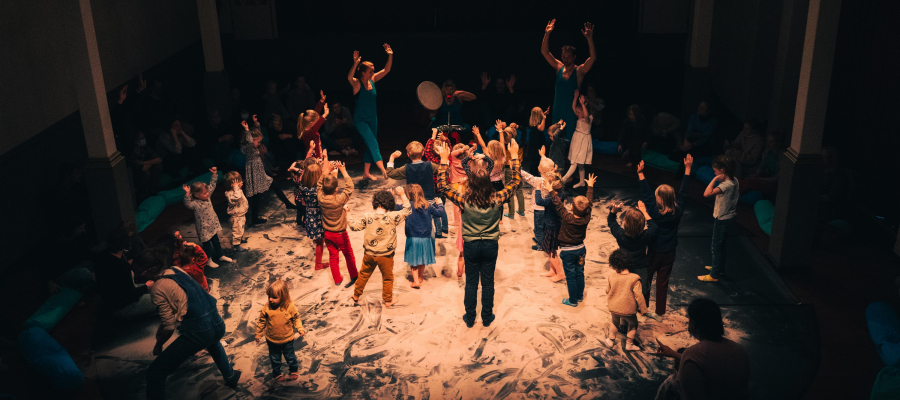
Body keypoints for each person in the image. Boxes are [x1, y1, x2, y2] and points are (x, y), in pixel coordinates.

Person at [134, 249, 241, 399]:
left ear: (149, 270)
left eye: (140, 271)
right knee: (213, 342)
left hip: (199, 330)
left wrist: (159, 344)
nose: (139, 275)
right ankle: (230, 376)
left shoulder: (158, 288)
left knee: (155, 372)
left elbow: (169, 326)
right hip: (217, 322)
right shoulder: (176, 270)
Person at [436, 139, 521, 327]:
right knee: (488, 283)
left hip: (471, 246)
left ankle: (470, 317)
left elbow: (442, 185)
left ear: (471, 182)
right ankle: (487, 316)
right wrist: (513, 157)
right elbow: (515, 182)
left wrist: (444, 160)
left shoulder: (463, 200)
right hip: (490, 245)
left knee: (472, 283)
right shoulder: (497, 198)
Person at [655, 298, 750, 400]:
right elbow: (713, 363)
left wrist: (684, 357)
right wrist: (674, 354)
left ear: (694, 324)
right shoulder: (739, 351)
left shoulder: (693, 355)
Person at [639, 156, 691, 315]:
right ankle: (660, 313)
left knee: (646, 280)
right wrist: (687, 169)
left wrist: (641, 174)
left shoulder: (655, 213)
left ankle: (644, 308)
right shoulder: (678, 210)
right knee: (662, 284)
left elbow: (647, 195)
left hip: (654, 252)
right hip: (670, 253)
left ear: (659, 199)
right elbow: (684, 193)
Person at [349, 188, 412, 307]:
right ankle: (388, 300)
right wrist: (403, 195)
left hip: (369, 254)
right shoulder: (392, 217)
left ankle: (356, 295)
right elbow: (407, 210)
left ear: (375, 203)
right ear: (390, 204)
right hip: (386, 256)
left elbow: (354, 227)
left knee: (363, 274)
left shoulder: (367, 216)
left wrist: (348, 214)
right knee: (387, 278)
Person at [541, 20, 596, 140]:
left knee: (570, 141)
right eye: (563, 56)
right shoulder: (559, 67)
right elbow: (545, 52)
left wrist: (589, 39)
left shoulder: (579, 71)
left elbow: (592, 58)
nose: (565, 59)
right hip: (558, 109)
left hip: (571, 112)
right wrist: (547, 33)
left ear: (574, 57)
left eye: (568, 56)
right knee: (555, 139)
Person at [548, 173, 596, 307]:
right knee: (579, 272)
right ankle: (579, 296)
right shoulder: (586, 218)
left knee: (571, 276)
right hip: (580, 249)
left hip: (568, 252)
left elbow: (558, 204)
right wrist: (590, 187)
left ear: (571, 207)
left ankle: (573, 300)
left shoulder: (567, 218)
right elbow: (589, 204)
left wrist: (551, 190)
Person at [348, 44, 393, 181]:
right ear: (363, 73)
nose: (373, 73)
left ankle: (366, 173)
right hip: (361, 120)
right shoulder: (357, 84)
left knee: (369, 144)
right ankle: (384, 170)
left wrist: (390, 55)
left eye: (373, 71)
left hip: (372, 118)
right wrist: (355, 64)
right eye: (370, 71)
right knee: (373, 143)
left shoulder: (372, 81)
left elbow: (386, 69)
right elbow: (350, 77)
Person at [602, 249, 660, 351]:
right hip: (629, 310)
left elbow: (607, 290)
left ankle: (611, 340)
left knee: (615, 323)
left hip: (614, 308)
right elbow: (639, 296)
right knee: (633, 325)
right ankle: (629, 344)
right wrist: (643, 309)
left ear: (614, 266)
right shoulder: (634, 278)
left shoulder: (612, 276)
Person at [241, 116, 295, 225]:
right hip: (254, 174)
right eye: (258, 142)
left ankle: (287, 204)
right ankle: (254, 219)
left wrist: (256, 124)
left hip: (259, 172)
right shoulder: (250, 148)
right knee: (256, 196)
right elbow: (250, 140)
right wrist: (247, 130)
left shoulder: (254, 146)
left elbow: (256, 135)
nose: (260, 144)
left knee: (274, 186)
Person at [386, 140, 445, 237]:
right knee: (428, 224)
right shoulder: (430, 165)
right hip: (428, 200)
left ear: (408, 155)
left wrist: (392, 158)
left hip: (413, 202)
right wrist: (443, 157)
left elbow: (390, 173)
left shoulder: (406, 168)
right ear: (423, 153)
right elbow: (444, 171)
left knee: (414, 222)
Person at [94, 229, 156, 320]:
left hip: (110, 302)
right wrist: (145, 287)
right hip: (122, 308)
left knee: (156, 288)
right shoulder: (122, 266)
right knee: (162, 297)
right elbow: (130, 295)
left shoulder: (102, 256)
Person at [608, 200, 658, 310]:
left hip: (624, 268)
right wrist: (644, 211)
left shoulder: (620, 235)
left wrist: (613, 211)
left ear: (625, 222)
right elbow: (654, 227)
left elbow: (611, 222)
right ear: (642, 224)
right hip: (640, 266)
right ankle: (636, 306)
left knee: (624, 289)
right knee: (641, 288)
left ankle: (625, 304)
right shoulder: (645, 235)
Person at [317, 160, 359, 286]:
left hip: (328, 234)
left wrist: (326, 171)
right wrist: (343, 171)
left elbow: (319, 185)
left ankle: (337, 279)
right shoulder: (340, 200)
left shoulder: (320, 198)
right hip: (341, 234)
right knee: (348, 254)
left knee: (333, 256)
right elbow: (349, 187)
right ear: (336, 190)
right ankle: (354, 275)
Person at [255, 280, 306, 382]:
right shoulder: (267, 307)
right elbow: (261, 321)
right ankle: (277, 373)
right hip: (272, 339)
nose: (270, 299)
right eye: (269, 296)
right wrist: (258, 334)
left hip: (287, 339)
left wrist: (300, 328)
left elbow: (296, 318)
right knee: (275, 358)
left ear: (283, 297)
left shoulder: (289, 307)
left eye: (274, 297)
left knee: (290, 357)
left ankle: (293, 370)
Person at [182, 168, 234, 267]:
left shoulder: (208, 197)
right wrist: (187, 194)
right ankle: (208, 260)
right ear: (197, 195)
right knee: (207, 245)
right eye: (205, 193)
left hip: (212, 224)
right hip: (204, 227)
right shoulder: (195, 204)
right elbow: (187, 204)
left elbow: (213, 186)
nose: (207, 194)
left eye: (207, 192)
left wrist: (214, 175)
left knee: (216, 241)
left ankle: (221, 255)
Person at [699, 156, 739, 282]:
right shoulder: (735, 180)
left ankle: (714, 275)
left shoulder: (726, 185)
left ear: (722, 171)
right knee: (721, 246)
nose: (714, 173)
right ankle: (718, 268)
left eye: (715, 171)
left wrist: (714, 179)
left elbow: (706, 194)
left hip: (723, 219)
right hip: (728, 217)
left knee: (716, 246)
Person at [403, 184, 446, 288]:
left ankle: (416, 281)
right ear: (422, 193)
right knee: (422, 259)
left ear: (409, 195)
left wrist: (397, 196)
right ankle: (420, 277)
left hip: (412, 238)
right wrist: (440, 204)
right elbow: (440, 213)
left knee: (413, 262)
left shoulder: (408, 206)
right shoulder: (428, 205)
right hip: (425, 238)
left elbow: (393, 207)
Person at [296, 156, 327, 270]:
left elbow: (301, 172)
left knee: (319, 237)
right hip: (319, 215)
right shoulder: (318, 190)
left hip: (309, 215)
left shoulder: (303, 186)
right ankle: (318, 264)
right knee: (320, 241)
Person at [522, 149, 556, 250]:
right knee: (545, 226)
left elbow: (526, 176)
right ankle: (543, 240)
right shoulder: (553, 180)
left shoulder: (537, 180)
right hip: (548, 209)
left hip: (539, 209)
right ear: (554, 170)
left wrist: (516, 168)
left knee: (538, 228)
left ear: (538, 169)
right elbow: (547, 166)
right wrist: (543, 156)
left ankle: (542, 245)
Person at [534, 171, 565, 282]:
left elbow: (539, 201)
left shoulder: (551, 199)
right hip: (554, 224)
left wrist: (537, 188)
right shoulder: (560, 195)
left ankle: (560, 273)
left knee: (549, 250)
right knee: (551, 249)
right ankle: (553, 270)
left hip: (551, 227)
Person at [562, 92, 593, 187]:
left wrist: (583, 104)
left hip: (583, 142)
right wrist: (575, 98)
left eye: (580, 112)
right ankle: (582, 182)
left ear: (585, 111)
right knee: (579, 163)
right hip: (577, 140)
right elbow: (573, 108)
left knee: (576, 162)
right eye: (578, 112)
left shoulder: (588, 119)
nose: (577, 113)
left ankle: (563, 180)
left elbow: (586, 116)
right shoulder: (580, 117)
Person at [129, 131, 163, 202]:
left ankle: (152, 191)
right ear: (136, 141)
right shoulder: (131, 153)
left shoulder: (145, 148)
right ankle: (142, 196)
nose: (143, 140)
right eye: (141, 138)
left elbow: (159, 159)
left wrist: (143, 162)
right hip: (136, 176)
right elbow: (143, 169)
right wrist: (151, 163)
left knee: (158, 166)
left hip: (147, 168)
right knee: (146, 173)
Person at [297, 90, 330, 159]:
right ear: (312, 123)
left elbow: (315, 114)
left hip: (318, 157)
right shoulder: (306, 133)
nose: (318, 122)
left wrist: (321, 101)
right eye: (317, 121)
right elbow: (316, 125)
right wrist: (324, 115)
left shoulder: (311, 128)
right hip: (312, 160)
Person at [224, 171, 249, 253]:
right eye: (239, 181)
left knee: (241, 228)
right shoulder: (231, 194)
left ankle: (239, 240)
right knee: (237, 230)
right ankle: (236, 245)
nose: (242, 182)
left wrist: (237, 188)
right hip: (236, 216)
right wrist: (236, 188)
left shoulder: (237, 191)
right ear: (232, 185)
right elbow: (237, 197)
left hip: (241, 214)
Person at [526, 106, 550, 175]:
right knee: (536, 159)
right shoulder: (537, 124)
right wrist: (544, 119)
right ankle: (534, 173)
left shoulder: (534, 122)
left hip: (535, 141)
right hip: (536, 143)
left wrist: (545, 113)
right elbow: (541, 128)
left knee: (535, 159)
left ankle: (535, 172)